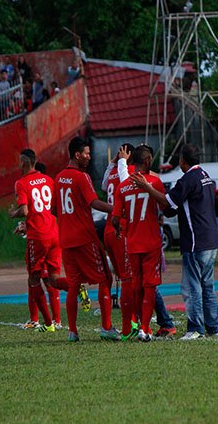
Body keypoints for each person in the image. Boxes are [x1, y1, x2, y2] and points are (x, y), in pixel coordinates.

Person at [130, 143, 218, 340]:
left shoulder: (187, 179)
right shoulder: (205, 176)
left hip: (195, 240)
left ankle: (195, 328)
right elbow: (175, 206)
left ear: (182, 161)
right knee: (208, 285)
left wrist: (147, 187)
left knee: (192, 287)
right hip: (211, 239)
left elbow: (168, 202)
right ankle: (213, 326)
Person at [53, 137, 119, 342]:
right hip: (84, 238)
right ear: (77, 154)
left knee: (74, 285)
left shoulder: (59, 177)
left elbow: (54, 209)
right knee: (105, 279)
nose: (89, 157)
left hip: (66, 239)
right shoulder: (82, 177)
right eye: (87, 153)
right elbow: (94, 202)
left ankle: (72, 332)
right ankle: (106, 328)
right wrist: (117, 210)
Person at [8, 149, 69, 333]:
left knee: (34, 280)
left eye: (20, 162)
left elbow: (25, 210)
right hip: (54, 233)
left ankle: (47, 323)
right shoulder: (49, 180)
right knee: (53, 279)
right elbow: (54, 208)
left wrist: (13, 214)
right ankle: (75, 286)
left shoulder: (21, 183)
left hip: (39, 237)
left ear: (24, 163)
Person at [112, 146, 165, 342]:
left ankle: (136, 323)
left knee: (136, 285)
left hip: (132, 242)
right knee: (149, 286)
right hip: (151, 241)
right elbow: (165, 206)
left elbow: (116, 218)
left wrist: (118, 229)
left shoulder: (122, 186)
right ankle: (144, 328)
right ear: (149, 160)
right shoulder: (155, 181)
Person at [102, 144, 136, 339]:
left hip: (108, 229)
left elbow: (104, 185)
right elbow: (125, 187)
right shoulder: (128, 172)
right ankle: (128, 326)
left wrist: (113, 163)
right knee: (127, 279)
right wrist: (122, 161)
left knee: (123, 278)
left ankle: (129, 322)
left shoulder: (113, 172)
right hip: (120, 229)